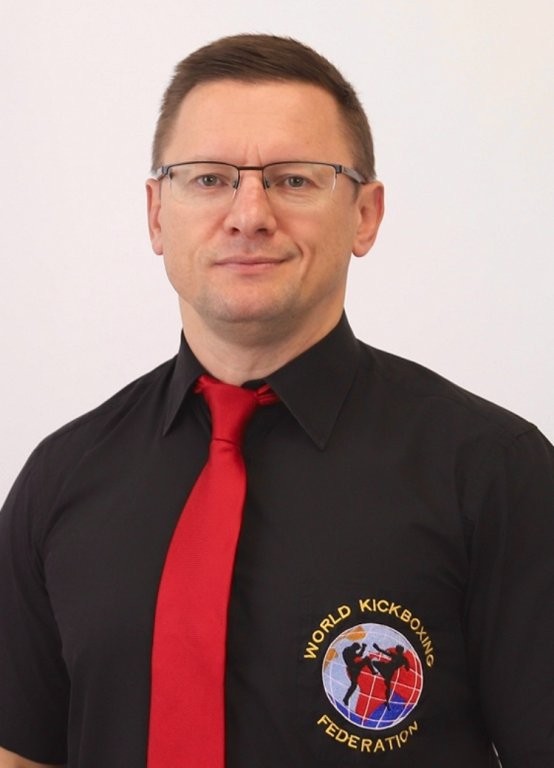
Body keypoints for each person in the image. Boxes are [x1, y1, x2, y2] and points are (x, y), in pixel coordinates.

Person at [0, 33, 552, 768]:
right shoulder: (60, 479)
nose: (249, 213)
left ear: (365, 215)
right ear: (157, 213)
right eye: (208, 179)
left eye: (294, 179)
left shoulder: (495, 473)